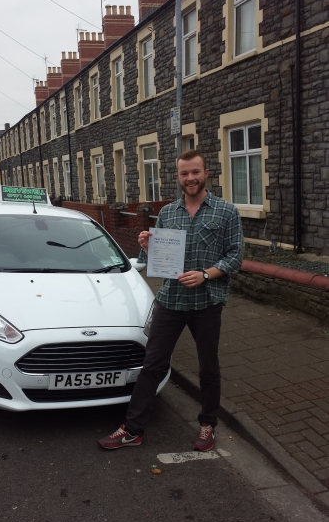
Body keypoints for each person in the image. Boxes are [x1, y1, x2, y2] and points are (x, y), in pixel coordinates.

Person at [98, 149, 244, 451]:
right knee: (151, 364)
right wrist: (147, 246)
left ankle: (207, 425)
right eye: (184, 173)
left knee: (208, 368)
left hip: (206, 301)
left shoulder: (226, 211)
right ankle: (132, 430)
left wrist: (205, 274)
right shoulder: (167, 213)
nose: (190, 178)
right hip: (171, 300)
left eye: (195, 172)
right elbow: (160, 264)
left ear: (205, 173)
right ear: (177, 177)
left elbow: (236, 255)